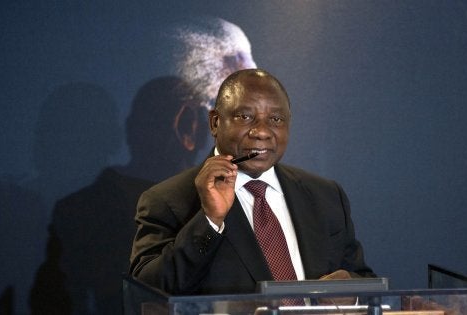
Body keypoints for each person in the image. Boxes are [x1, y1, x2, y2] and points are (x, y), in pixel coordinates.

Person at [129, 69, 375, 296]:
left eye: (276, 119)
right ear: (215, 122)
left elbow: (362, 279)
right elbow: (147, 293)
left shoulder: (326, 196)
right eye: (245, 116)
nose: (262, 132)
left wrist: (349, 294)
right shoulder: (168, 200)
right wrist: (210, 221)